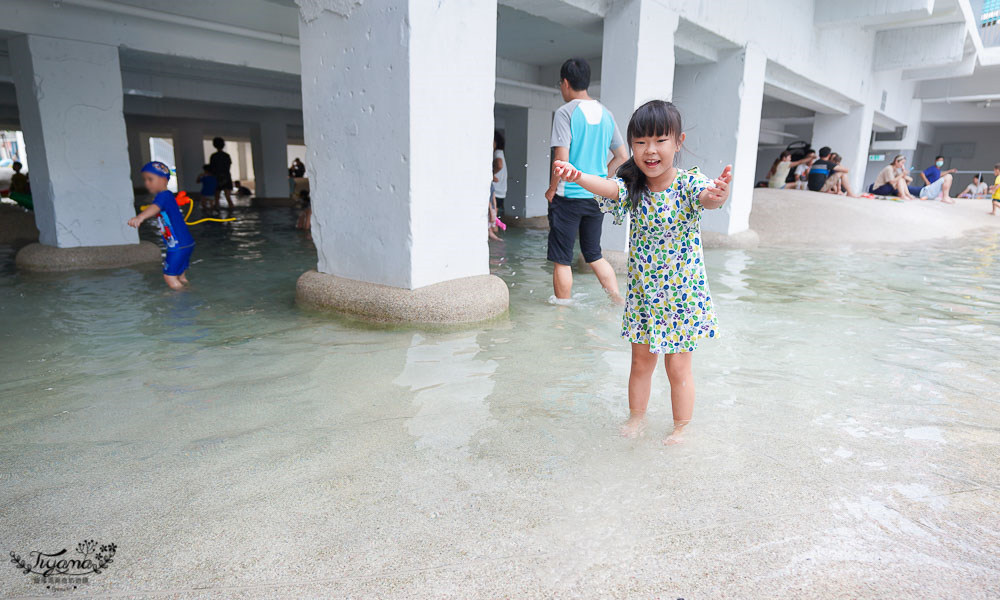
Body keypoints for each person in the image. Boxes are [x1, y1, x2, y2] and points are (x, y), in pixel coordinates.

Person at [552, 100, 731, 445]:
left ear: (678, 142)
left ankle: (681, 425)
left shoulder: (688, 185)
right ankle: (637, 418)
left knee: (677, 368)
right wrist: (578, 175)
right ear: (631, 145)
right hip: (645, 295)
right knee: (640, 363)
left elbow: (708, 199)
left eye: (660, 141)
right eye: (640, 142)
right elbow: (609, 188)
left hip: (682, 297)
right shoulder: (633, 188)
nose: (650, 151)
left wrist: (718, 195)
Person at [545, 58, 629, 303]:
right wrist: (601, 179)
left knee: (562, 258)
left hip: (568, 196)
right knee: (594, 254)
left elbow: (561, 160)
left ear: (566, 83)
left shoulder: (565, 112)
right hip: (595, 197)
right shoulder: (607, 114)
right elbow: (622, 156)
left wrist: (551, 190)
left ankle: (562, 312)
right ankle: (617, 301)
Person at [127, 161, 195, 290]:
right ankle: (188, 289)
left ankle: (181, 296)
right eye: (145, 180)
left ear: (164, 180)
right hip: (187, 243)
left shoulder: (162, 196)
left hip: (177, 245)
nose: (146, 183)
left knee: (169, 277)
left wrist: (140, 217)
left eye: (150, 179)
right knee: (180, 276)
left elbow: (155, 207)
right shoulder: (168, 196)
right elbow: (162, 212)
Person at [209, 137, 233, 210]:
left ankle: (217, 211)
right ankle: (231, 210)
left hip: (217, 178)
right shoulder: (226, 156)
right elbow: (228, 166)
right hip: (226, 177)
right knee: (228, 197)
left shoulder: (213, 156)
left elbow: (212, 168)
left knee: (217, 198)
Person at [492, 130, 507, 217]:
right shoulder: (500, 153)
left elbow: (499, 164)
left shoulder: (497, 153)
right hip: (501, 192)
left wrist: (491, 175)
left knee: (492, 221)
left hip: (496, 192)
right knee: (496, 220)